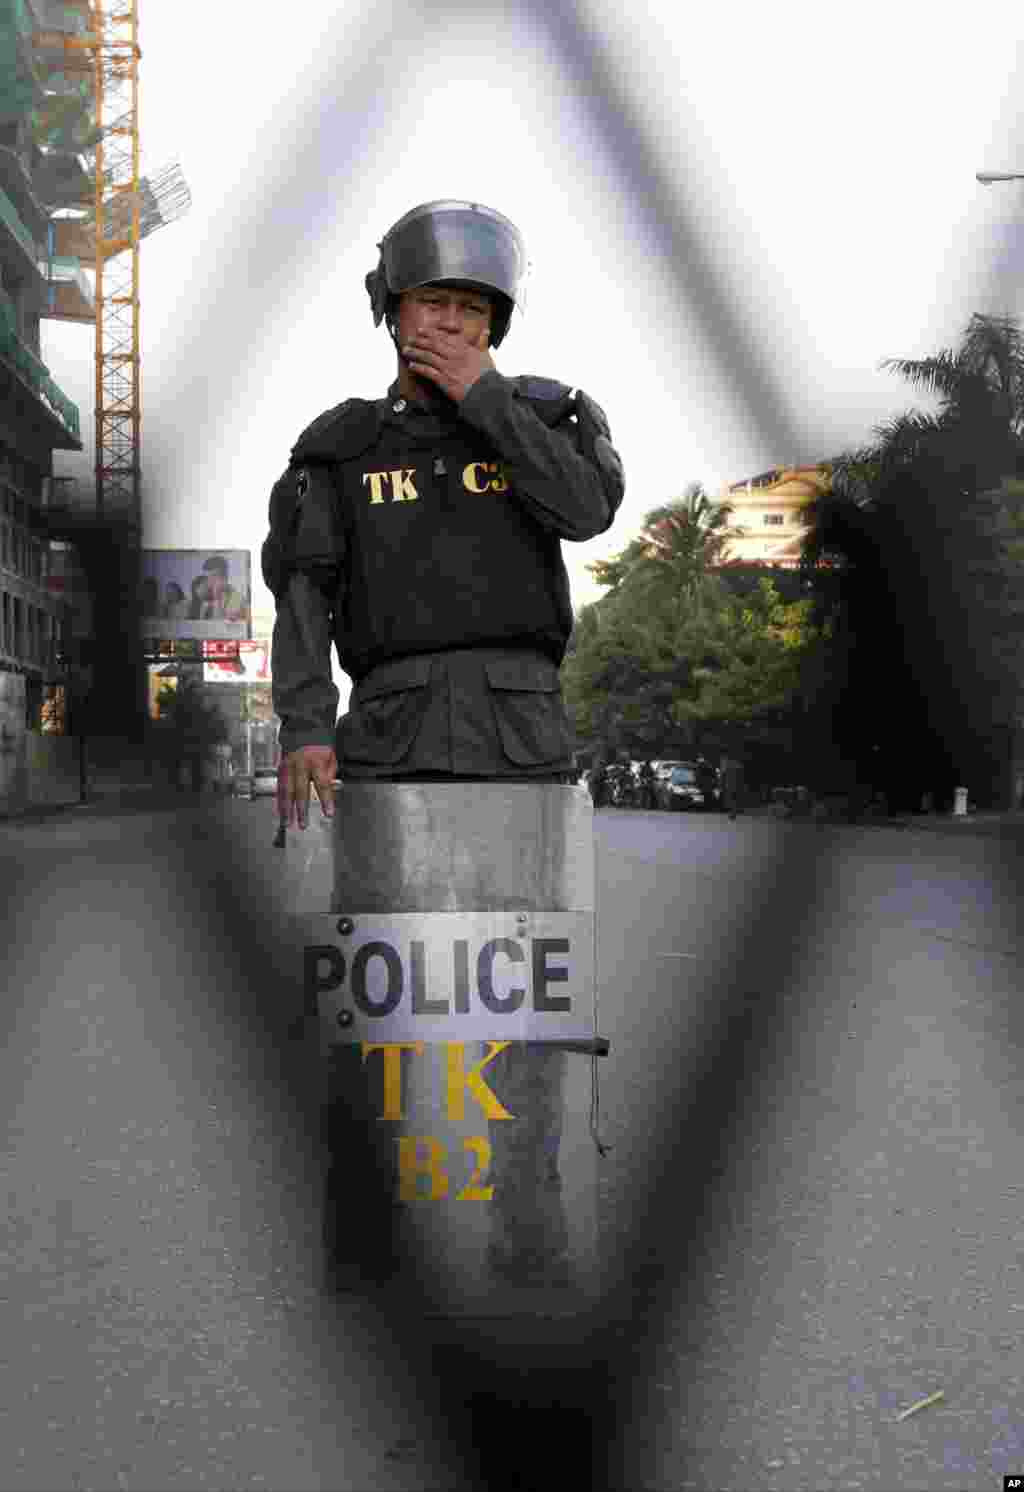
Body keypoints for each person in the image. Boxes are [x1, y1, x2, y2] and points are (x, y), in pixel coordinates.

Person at [262, 199, 625, 1286]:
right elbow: (304, 594)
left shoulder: (548, 419)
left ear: (496, 323)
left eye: (472, 308)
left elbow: (587, 511)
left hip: (522, 744)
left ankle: (529, 1224)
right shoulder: (339, 448)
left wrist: (488, 403)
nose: (453, 324)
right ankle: (375, 1225)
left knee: (525, 994)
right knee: (381, 993)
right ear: (393, 311)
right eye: (433, 304)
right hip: (388, 744)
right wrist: (303, 726)